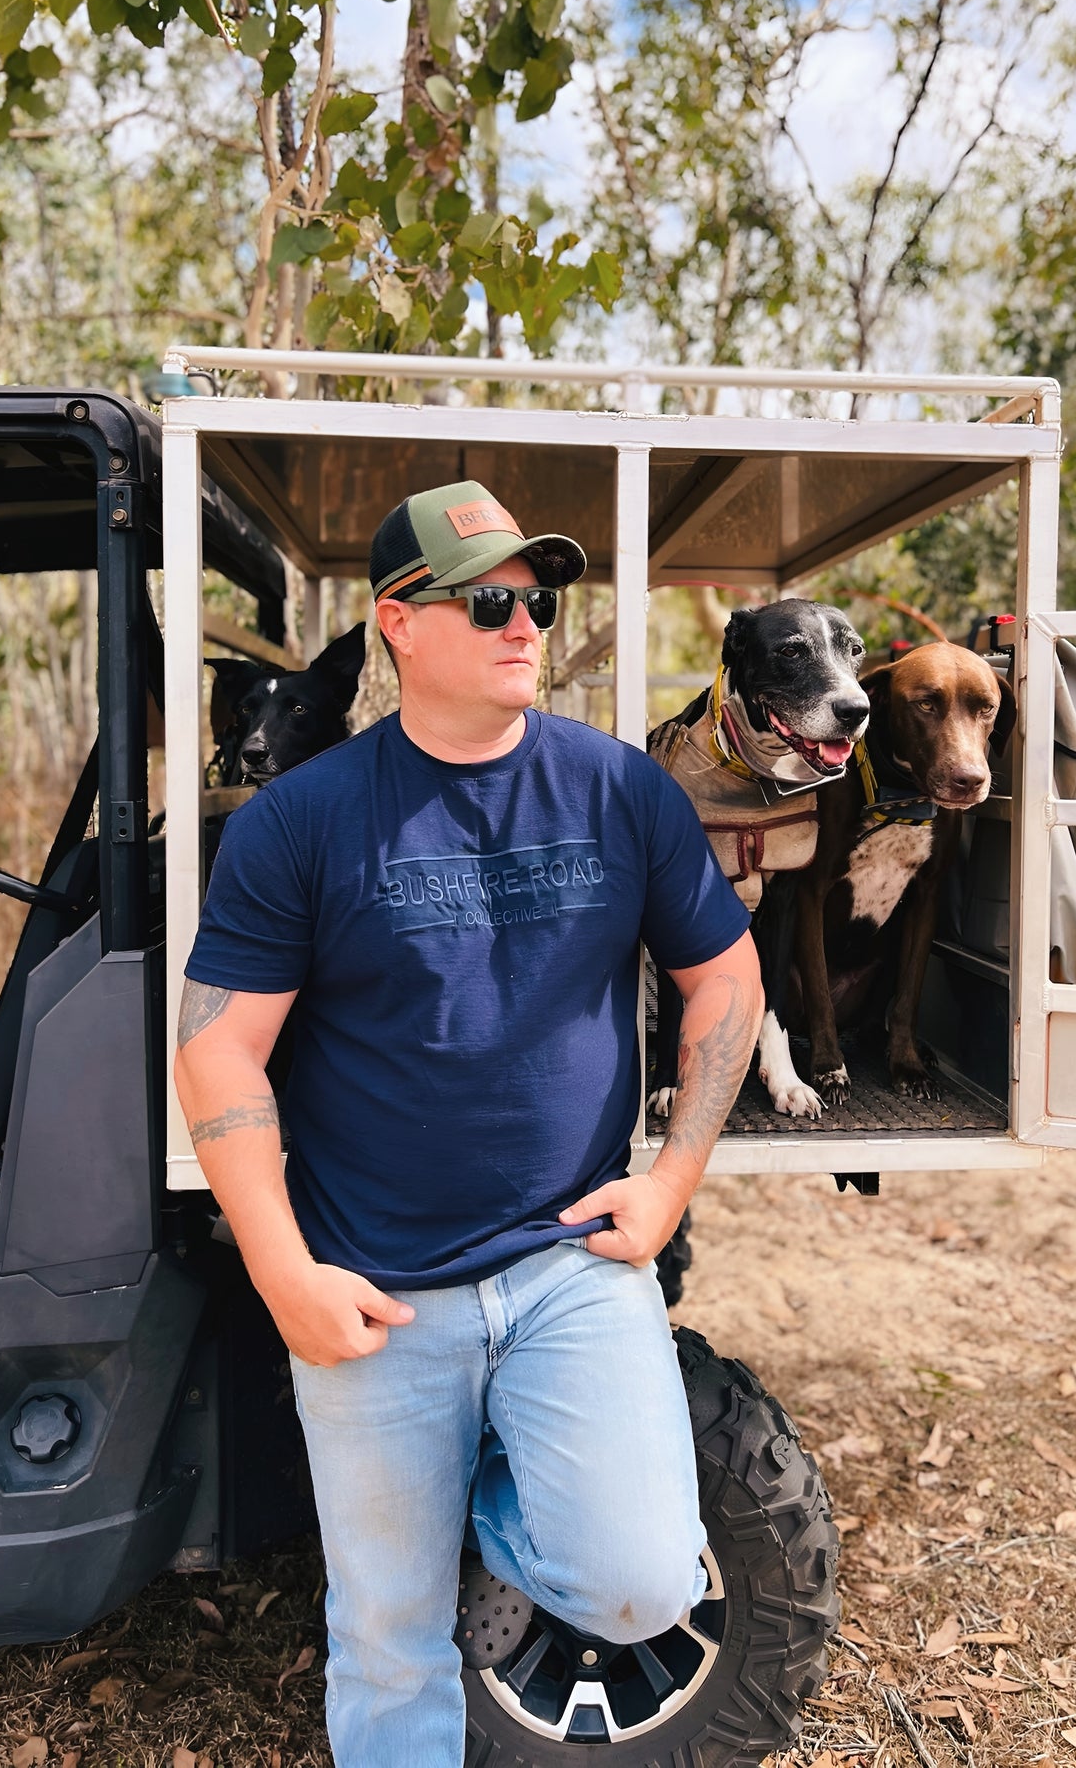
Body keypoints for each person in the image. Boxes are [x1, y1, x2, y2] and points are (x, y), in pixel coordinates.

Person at [173, 479, 763, 1766]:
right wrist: (281, 1270)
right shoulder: (301, 823)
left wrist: (668, 1183)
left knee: (644, 1583)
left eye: (538, 599)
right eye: (489, 598)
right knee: (386, 1637)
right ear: (397, 620)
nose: (524, 624)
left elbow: (726, 976)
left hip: (569, 1267)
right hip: (375, 1293)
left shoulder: (620, 792)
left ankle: (497, 1485)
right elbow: (219, 1043)